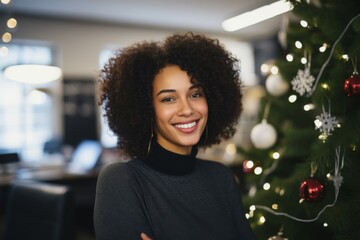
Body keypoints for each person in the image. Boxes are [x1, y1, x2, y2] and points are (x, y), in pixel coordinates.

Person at [94, 32, 256, 240]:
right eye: (169, 99)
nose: (187, 109)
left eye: (195, 94)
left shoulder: (221, 177)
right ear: (145, 110)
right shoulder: (121, 180)